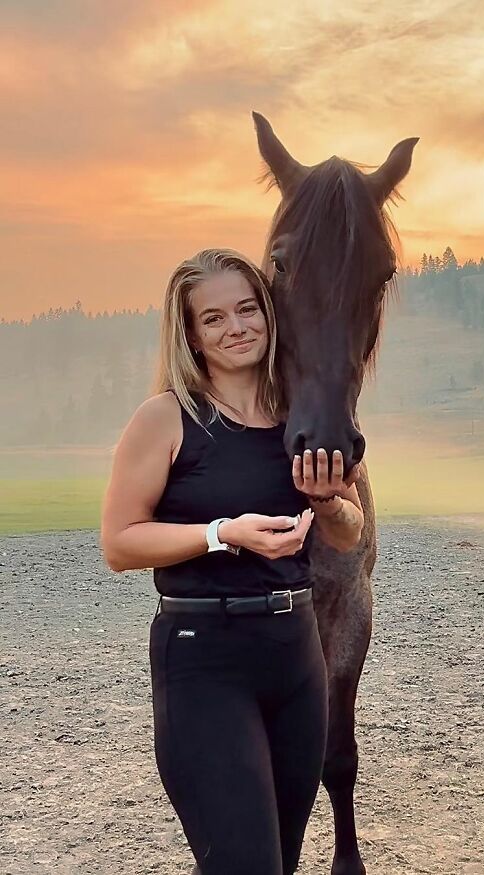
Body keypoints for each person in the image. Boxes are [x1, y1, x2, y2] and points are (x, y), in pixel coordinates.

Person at [100, 248, 364, 874]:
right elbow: (120, 542)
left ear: (269, 316)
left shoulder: (302, 417)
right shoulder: (167, 418)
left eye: (247, 309)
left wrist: (328, 505)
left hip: (297, 656)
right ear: (189, 333)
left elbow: (350, 531)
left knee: (279, 861)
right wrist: (223, 534)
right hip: (204, 659)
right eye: (213, 318)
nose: (236, 327)